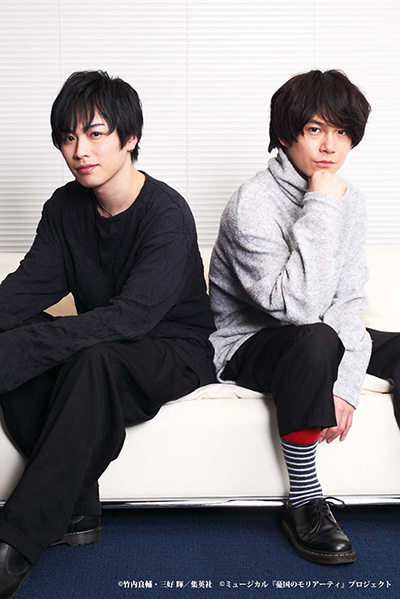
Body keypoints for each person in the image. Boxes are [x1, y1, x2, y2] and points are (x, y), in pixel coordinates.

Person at [0, 70, 216, 598]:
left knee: (83, 356)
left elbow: (131, 320)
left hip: (172, 350)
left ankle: (15, 544)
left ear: (130, 137)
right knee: (27, 334)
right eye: (68, 138)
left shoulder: (166, 213)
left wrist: (21, 349)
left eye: (95, 133)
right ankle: (77, 509)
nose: (80, 151)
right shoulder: (64, 207)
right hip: (100, 346)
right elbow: (24, 292)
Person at [209, 69, 400, 565]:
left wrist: (346, 379)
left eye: (341, 131)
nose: (330, 145)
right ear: (285, 134)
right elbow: (297, 306)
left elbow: (349, 297)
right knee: (314, 338)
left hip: (319, 334)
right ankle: (305, 501)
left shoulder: (349, 199)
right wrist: (319, 203)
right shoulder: (253, 202)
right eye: (315, 129)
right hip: (249, 342)